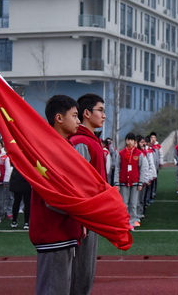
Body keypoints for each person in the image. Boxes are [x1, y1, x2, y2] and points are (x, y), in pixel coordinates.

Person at [30, 95, 82, 294]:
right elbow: (52, 196)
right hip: (53, 233)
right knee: (52, 289)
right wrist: (82, 211)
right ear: (59, 118)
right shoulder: (47, 149)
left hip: (66, 231)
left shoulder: (66, 147)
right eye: (74, 115)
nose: (78, 121)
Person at [67, 93, 107, 295]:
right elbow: (77, 182)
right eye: (100, 110)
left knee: (87, 270)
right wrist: (82, 216)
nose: (104, 115)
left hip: (93, 213)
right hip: (85, 216)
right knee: (81, 271)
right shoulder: (81, 142)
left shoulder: (92, 140)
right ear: (86, 113)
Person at [115, 133, 148, 227]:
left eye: (132, 140)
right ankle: (124, 220)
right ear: (126, 141)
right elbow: (117, 168)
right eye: (128, 140)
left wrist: (141, 182)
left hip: (135, 182)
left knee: (133, 203)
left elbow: (142, 168)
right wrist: (116, 183)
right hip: (123, 182)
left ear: (135, 142)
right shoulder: (121, 153)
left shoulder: (139, 154)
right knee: (124, 203)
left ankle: (133, 220)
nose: (130, 142)